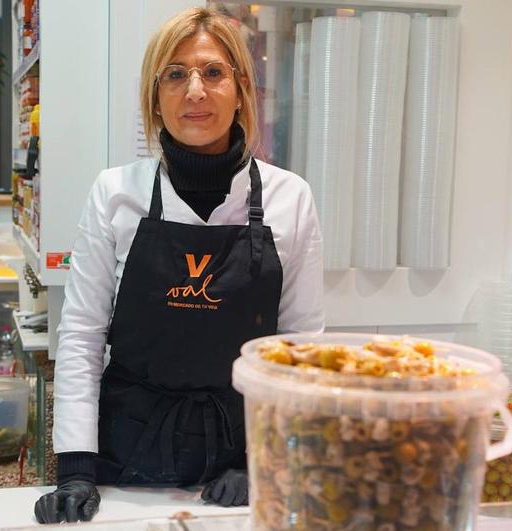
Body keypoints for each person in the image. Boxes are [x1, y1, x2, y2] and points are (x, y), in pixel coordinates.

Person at [34, 7, 324, 524]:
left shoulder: (290, 197)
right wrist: (75, 467)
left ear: (240, 89)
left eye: (213, 72)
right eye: (175, 74)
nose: (195, 91)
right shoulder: (115, 193)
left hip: (241, 456)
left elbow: (300, 349)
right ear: (155, 96)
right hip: (127, 450)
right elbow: (80, 335)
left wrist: (268, 460)